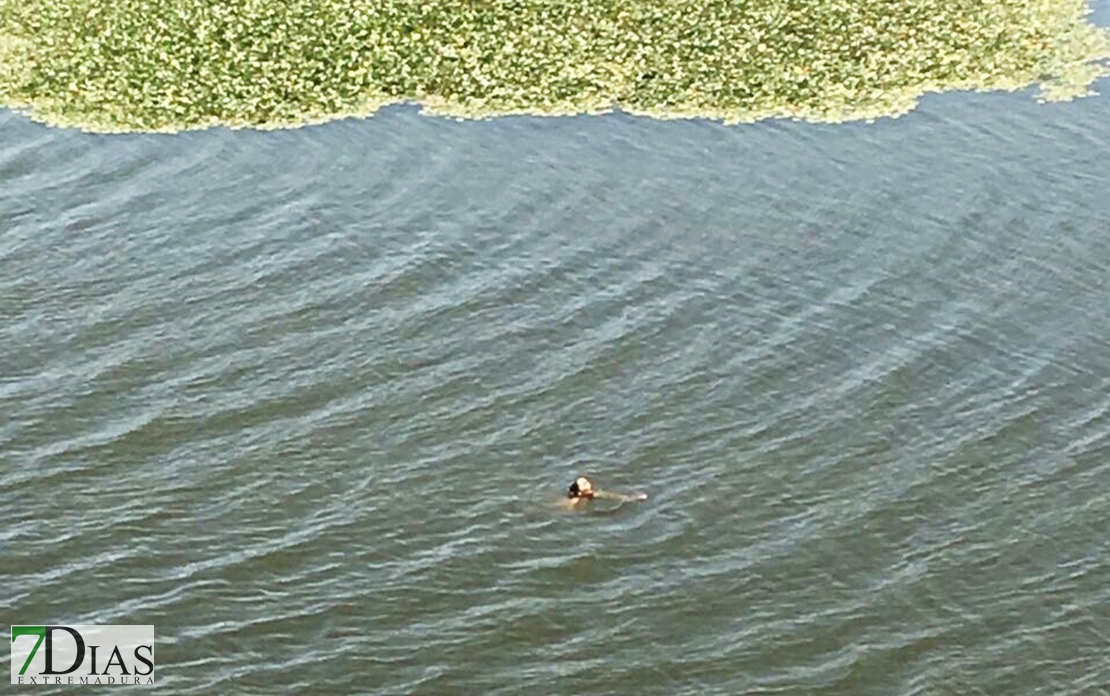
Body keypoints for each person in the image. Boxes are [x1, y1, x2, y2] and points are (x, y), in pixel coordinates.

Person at [566, 475, 647, 506]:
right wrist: (632, 498)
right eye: (584, 484)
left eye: (586, 481)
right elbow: (611, 496)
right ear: (579, 492)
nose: (588, 483)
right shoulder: (590, 494)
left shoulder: (575, 498)